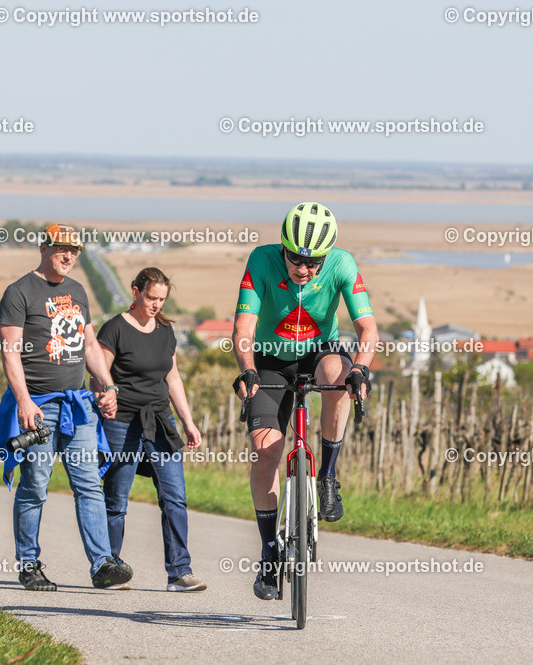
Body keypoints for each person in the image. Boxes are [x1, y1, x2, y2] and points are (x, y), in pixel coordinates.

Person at [231, 202, 377, 600]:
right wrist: (248, 368)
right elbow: (244, 325)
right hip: (270, 360)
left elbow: (367, 328)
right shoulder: (261, 260)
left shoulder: (343, 264)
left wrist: (361, 368)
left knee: (340, 374)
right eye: (296, 258)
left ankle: (327, 475)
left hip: (320, 352)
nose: (304, 269)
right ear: (283, 247)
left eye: (314, 262)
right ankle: (269, 552)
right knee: (266, 453)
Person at [0, 222, 132, 591]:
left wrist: (108, 385)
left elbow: (88, 347)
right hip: (39, 406)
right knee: (36, 484)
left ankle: (102, 564)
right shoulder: (19, 292)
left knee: (88, 484)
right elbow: (11, 352)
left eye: (75, 251)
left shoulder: (78, 291)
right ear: (44, 248)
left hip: (78, 405)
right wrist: (23, 400)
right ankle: (29, 564)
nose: (68, 256)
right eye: (61, 249)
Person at [95, 267, 207, 592]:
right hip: (122, 421)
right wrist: (105, 397)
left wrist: (188, 421)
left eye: (162, 299)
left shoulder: (164, 331)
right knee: (116, 498)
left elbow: (172, 379)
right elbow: (100, 373)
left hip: (160, 421)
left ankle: (179, 573)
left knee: (175, 496)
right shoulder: (114, 328)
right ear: (135, 292)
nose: (156, 304)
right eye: (151, 297)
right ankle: (109, 567)